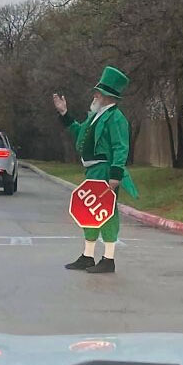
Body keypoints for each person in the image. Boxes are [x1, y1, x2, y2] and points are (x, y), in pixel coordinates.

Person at [53, 66, 138, 274]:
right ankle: (87, 255)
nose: (95, 95)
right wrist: (64, 113)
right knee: (88, 212)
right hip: (92, 172)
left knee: (106, 213)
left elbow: (121, 147)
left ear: (107, 96)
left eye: (98, 93)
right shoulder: (95, 117)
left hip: (105, 171)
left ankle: (108, 258)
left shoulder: (116, 118)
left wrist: (116, 174)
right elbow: (79, 132)